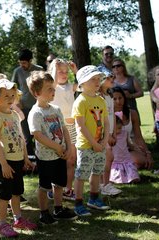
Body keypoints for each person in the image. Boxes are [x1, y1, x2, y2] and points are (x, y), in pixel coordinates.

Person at [27, 70, 78, 225]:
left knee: (59, 184)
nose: (53, 91)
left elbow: (64, 130)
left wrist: (68, 148)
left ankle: (58, 208)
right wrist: (56, 146)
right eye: (49, 89)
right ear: (37, 93)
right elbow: (37, 135)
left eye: (53, 88)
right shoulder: (36, 113)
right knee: (44, 186)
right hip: (45, 158)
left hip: (60, 155)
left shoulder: (55, 110)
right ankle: (44, 212)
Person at [0, 79, 37, 237]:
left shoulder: (15, 115)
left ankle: (18, 219)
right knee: (3, 195)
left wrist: (25, 158)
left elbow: (21, 139)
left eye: (12, 95)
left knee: (16, 192)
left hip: (17, 161)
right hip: (4, 163)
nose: (10, 98)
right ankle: (2, 223)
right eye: (5, 96)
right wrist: (3, 164)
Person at [72, 65, 110, 216]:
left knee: (97, 172)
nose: (97, 82)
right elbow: (80, 126)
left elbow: (106, 122)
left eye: (98, 79)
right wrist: (94, 144)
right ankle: (78, 203)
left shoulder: (101, 100)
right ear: (82, 83)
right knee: (81, 175)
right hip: (86, 146)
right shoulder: (80, 101)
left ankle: (94, 199)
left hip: (100, 145)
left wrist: (104, 141)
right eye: (92, 79)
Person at [48, 58, 78, 201]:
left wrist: (75, 71)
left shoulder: (70, 86)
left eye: (66, 72)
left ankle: (68, 189)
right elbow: (52, 83)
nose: (64, 74)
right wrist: (54, 67)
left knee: (71, 160)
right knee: (56, 159)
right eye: (60, 71)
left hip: (72, 127)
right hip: (57, 128)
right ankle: (52, 188)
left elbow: (83, 85)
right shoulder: (52, 87)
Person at [11, 49, 43, 156]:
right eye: (20, 63)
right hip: (24, 108)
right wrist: (17, 101)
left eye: (24, 63)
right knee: (27, 137)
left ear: (30, 61)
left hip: (38, 107)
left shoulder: (39, 70)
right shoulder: (17, 71)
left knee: (39, 134)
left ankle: (40, 159)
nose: (22, 65)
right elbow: (13, 88)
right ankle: (29, 163)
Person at [112, 87, 153, 169]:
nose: (118, 101)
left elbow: (138, 136)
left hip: (129, 146)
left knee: (142, 161)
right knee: (135, 162)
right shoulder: (108, 115)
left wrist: (147, 153)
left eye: (120, 98)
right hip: (114, 148)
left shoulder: (132, 113)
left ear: (124, 98)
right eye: (114, 99)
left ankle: (124, 167)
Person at [97, 67, 122, 196]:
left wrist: (113, 133)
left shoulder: (109, 95)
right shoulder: (98, 97)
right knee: (108, 158)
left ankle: (103, 184)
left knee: (107, 159)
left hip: (109, 132)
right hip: (101, 134)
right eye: (108, 77)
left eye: (112, 76)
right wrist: (106, 134)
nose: (112, 79)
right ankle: (105, 185)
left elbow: (112, 115)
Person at [110, 113, 140, 184]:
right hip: (116, 158)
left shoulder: (124, 133)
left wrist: (134, 147)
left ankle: (131, 178)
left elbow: (128, 144)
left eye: (120, 128)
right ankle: (117, 179)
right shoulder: (111, 137)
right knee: (116, 171)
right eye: (117, 129)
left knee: (129, 168)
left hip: (125, 156)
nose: (119, 131)